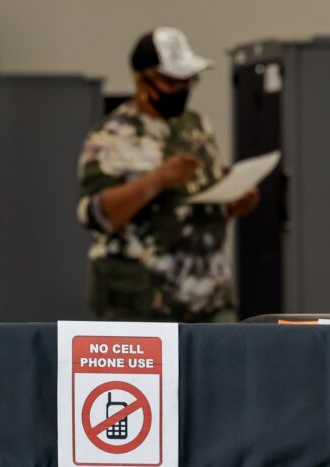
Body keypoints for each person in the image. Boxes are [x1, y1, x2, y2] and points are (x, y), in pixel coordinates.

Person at [77, 26, 259, 328]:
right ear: (142, 80)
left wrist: (233, 201)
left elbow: (198, 201)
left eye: (188, 81)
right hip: (142, 305)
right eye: (173, 82)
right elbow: (96, 214)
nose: (183, 89)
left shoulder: (195, 126)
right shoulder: (111, 136)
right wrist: (157, 180)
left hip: (209, 298)